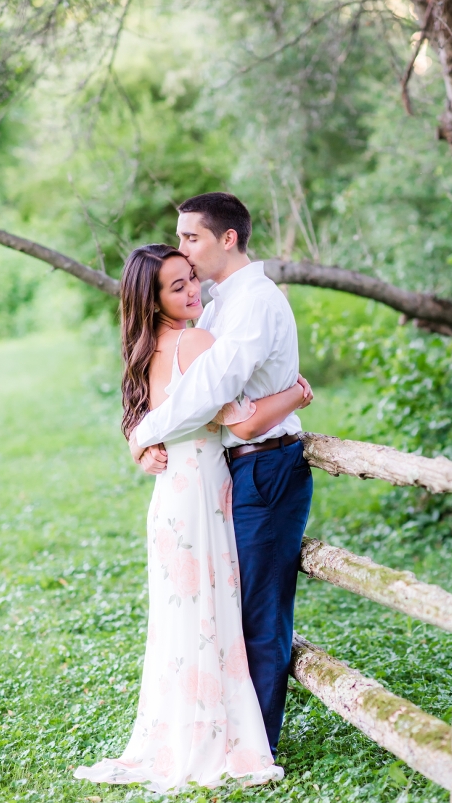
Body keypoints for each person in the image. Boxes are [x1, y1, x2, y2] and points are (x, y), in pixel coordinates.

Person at [76, 244, 312, 791]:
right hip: (202, 489)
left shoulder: (145, 351)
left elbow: (151, 418)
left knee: (183, 618)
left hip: (170, 499)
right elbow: (244, 420)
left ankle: (186, 729)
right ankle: (216, 738)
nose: (193, 292)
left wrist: (140, 444)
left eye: (192, 279)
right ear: (153, 299)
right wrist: (296, 394)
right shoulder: (196, 341)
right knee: (211, 610)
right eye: (177, 286)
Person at [126, 192, 314, 761]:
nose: (183, 248)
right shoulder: (218, 307)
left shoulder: (252, 303)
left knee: (255, 611)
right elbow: (220, 400)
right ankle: (234, 737)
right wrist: (293, 394)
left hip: (263, 466)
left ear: (226, 239)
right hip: (228, 468)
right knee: (226, 608)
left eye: (191, 238)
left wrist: (143, 431)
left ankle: (255, 744)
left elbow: (210, 393)